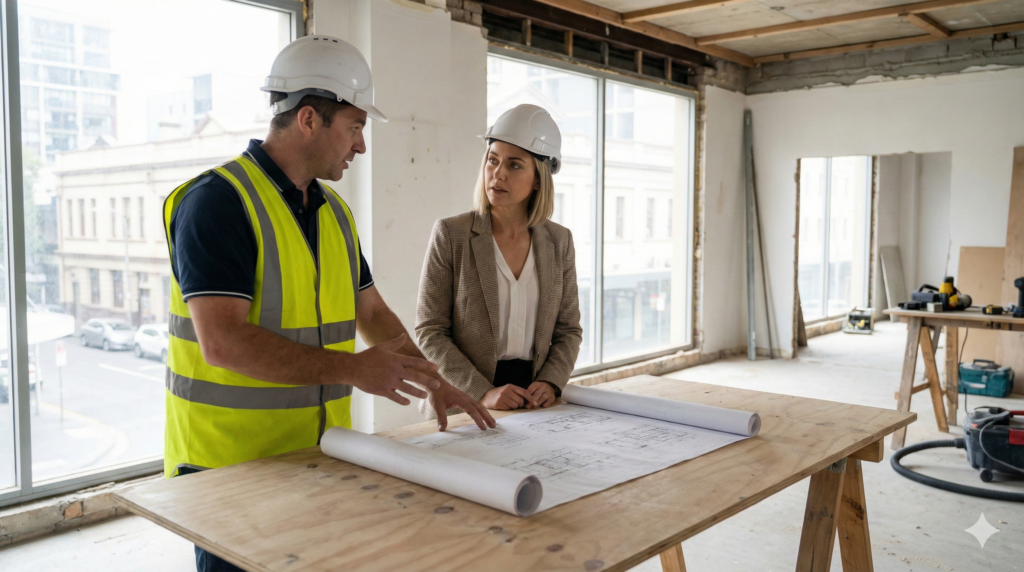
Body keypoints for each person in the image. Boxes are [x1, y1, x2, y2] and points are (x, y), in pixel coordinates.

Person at [164, 35, 494, 572]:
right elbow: (221, 342)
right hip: (228, 471)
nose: (361, 147)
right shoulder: (217, 203)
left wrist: (435, 380)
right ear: (310, 120)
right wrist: (355, 370)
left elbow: (373, 314)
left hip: (315, 457)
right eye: (356, 127)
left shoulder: (333, 213)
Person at [415, 104, 582, 416]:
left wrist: (551, 381)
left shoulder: (560, 242)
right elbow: (430, 330)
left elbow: (568, 330)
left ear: (538, 179)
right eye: (492, 160)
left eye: (515, 165)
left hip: (535, 403)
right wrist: (483, 392)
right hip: (462, 401)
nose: (498, 173)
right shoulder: (452, 234)